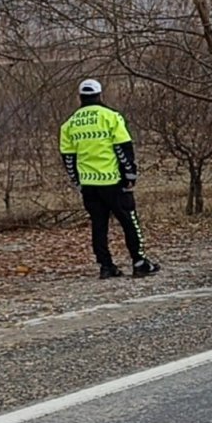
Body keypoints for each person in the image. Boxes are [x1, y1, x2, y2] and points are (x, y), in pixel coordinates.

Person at [59, 79, 160, 279]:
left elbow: (68, 158)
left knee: (98, 225)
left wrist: (77, 181)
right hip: (113, 181)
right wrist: (130, 175)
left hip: (89, 184)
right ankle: (140, 263)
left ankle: (106, 266)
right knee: (130, 221)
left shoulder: (69, 124)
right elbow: (123, 148)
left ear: (80, 97)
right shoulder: (110, 117)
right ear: (99, 95)